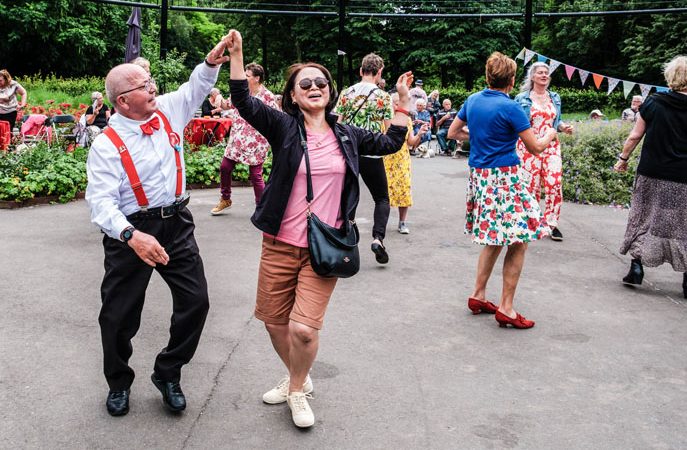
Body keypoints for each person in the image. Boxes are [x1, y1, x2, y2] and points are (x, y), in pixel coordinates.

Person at [226, 30, 409, 428]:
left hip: (325, 245)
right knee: (274, 322)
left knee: (303, 330)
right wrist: (237, 56)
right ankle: (301, 377)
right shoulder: (283, 128)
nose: (314, 87)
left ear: (331, 91)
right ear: (293, 94)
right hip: (278, 243)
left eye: (321, 82)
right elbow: (242, 100)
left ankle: (295, 391)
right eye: (305, 83)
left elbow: (390, 143)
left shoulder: (346, 135)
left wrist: (403, 104)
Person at [85, 35, 230, 417]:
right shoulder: (106, 143)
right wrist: (132, 236)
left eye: (150, 84)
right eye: (143, 86)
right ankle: (118, 382)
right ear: (122, 100)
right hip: (129, 231)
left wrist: (211, 62)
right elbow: (100, 203)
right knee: (118, 316)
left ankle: (168, 372)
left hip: (177, 223)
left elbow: (195, 87)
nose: (152, 88)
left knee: (196, 302)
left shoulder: (167, 109)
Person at [448, 51, 557, 329]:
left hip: (480, 178)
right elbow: (535, 147)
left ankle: (479, 294)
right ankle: (506, 308)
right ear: (511, 81)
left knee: (495, 237)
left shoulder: (472, 100)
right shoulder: (511, 108)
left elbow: (453, 133)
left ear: (488, 77)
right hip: (505, 178)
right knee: (520, 238)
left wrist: (479, 136)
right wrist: (550, 134)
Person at [614, 55, 687, 300]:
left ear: (670, 77)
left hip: (652, 172)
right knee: (683, 223)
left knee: (643, 217)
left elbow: (635, 136)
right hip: (684, 176)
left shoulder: (653, 103)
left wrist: (623, 159)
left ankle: (637, 266)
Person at [335, 53, 394, 264]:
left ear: (361, 70)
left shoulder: (346, 92)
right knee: (382, 198)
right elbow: (388, 130)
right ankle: (378, 238)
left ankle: (346, 240)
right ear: (379, 73)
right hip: (371, 152)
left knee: (347, 196)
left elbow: (337, 123)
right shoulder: (384, 96)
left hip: (348, 151)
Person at [514, 62, 574, 242]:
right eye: (540, 72)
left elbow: (558, 121)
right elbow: (517, 123)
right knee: (530, 185)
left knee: (554, 184)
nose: (544, 75)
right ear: (532, 77)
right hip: (528, 146)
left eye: (546, 73)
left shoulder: (555, 97)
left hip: (551, 146)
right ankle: (532, 221)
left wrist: (564, 127)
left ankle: (551, 224)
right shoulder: (522, 98)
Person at [211, 62, 277, 215]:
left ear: (256, 78)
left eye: (247, 76)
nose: (243, 78)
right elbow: (227, 106)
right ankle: (225, 199)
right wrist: (219, 99)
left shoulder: (267, 96)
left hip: (256, 141)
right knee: (225, 167)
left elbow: (276, 118)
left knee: (255, 175)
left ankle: (261, 208)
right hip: (238, 138)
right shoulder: (241, 92)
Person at [385, 92, 429, 234]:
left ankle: (402, 222)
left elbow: (411, 143)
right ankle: (381, 223)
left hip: (402, 159)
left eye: (400, 102)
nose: (397, 105)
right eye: (395, 102)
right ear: (391, 104)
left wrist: (420, 134)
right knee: (383, 193)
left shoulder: (408, 121)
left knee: (404, 190)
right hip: (386, 159)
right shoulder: (384, 119)